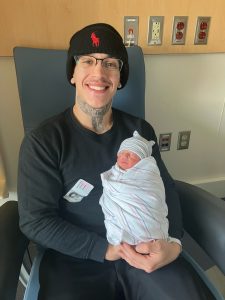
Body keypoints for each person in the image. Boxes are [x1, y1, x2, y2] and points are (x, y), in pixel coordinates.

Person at [18, 23, 215, 300]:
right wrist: (104, 249)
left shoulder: (140, 133)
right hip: (76, 259)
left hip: (147, 248)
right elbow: (36, 221)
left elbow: (166, 191)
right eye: (87, 61)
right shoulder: (44, 142)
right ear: (72, 74)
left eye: (110, 64)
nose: (99, 73)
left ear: (120, 78)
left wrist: (173, 243)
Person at [100, 130, 169, 246]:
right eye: (122, 153)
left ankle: (146, 236)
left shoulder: (148, 174)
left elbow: (154, 195)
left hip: (147, 217)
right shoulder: (114, 173)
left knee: (145, 247)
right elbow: (109, 192)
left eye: (132, 154)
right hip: (117, 232)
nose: (125, 156)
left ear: (142, 161)